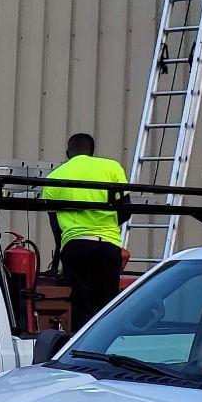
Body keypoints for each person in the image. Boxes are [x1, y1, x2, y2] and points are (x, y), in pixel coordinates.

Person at [42, 133, 129, 332]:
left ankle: (82, 347)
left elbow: (56, 228)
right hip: (108, 245)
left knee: (81, 303)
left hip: (76, 245)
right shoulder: (112, 168)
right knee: (108, 305)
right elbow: (126, 211)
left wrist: (59, 259)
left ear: (67, 153)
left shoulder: (54, 177)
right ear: (92, 152)